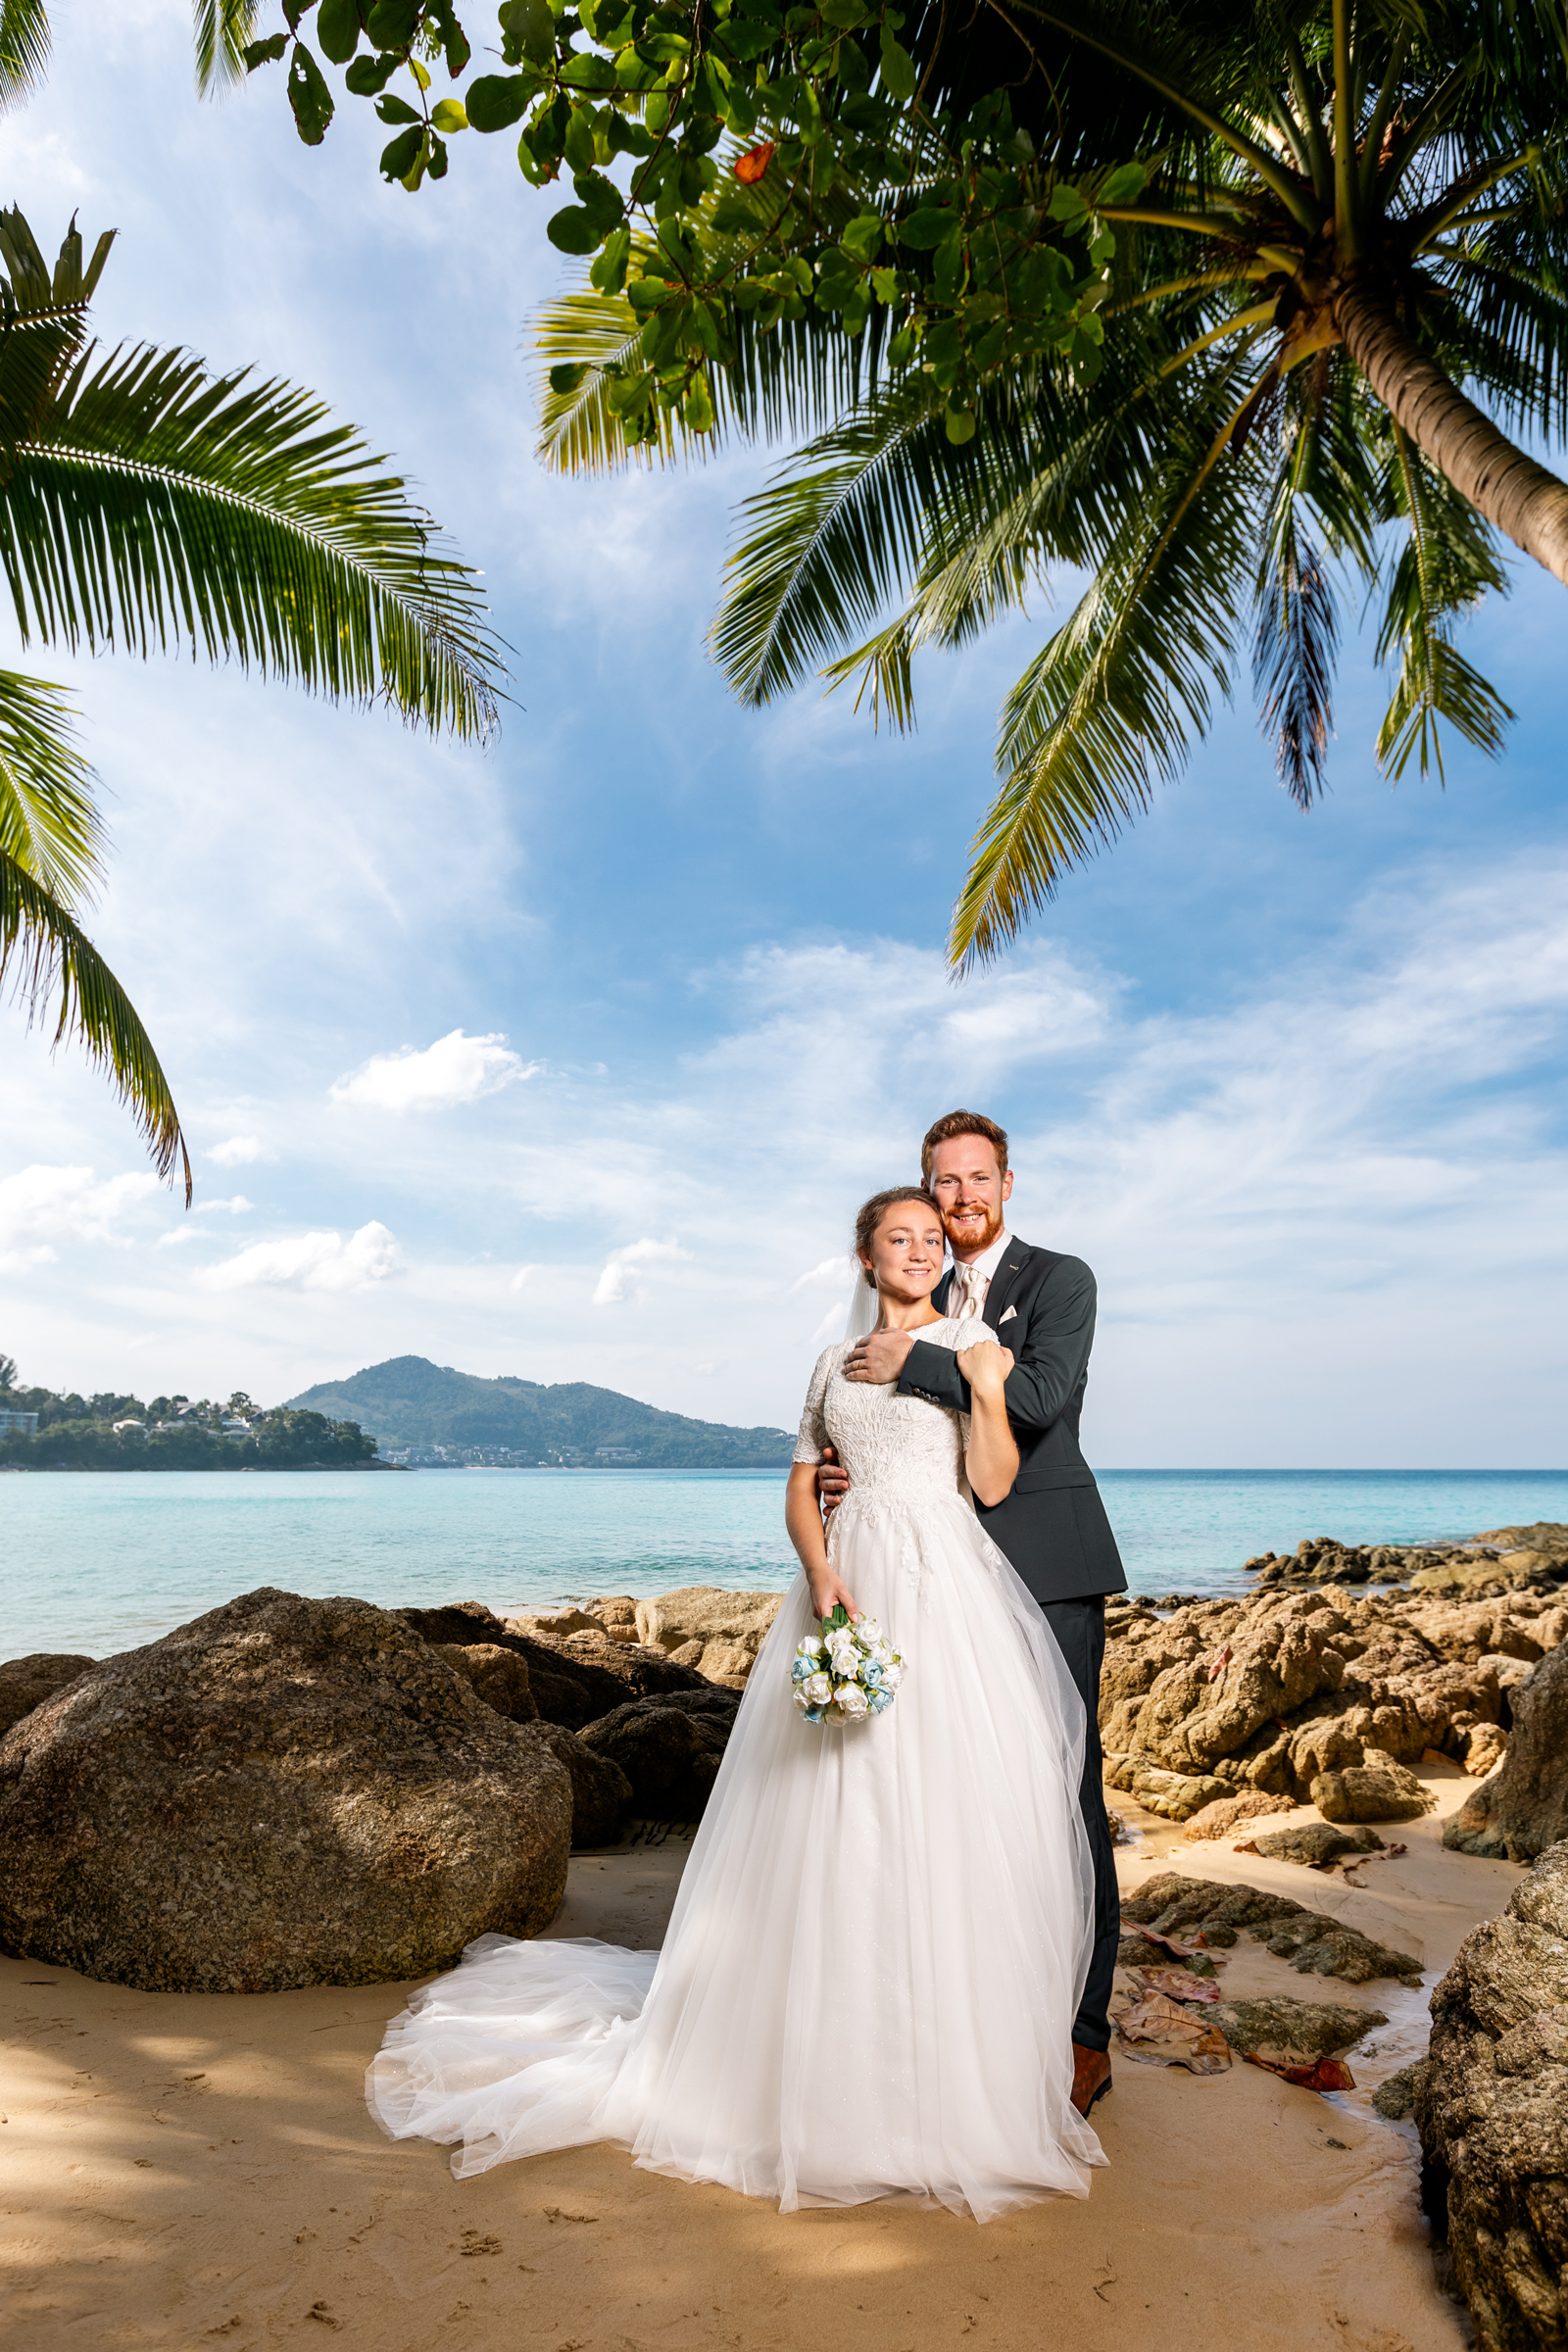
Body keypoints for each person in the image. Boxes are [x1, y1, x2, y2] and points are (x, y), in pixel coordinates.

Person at [365, 1184, 1103, 2220]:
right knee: (827, 1804)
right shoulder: (828, 1364)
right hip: (848, 1581)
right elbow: (806, 1478)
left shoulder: (974, 1341)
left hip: (944, 1586)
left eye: (931, 1239)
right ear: (865, 1257)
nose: (918, 1249)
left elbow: (989, 1484)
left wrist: (982, 1382)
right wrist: (819, 1570)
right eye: (899, 1237)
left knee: (938, 1805)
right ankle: (806, 2053)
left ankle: (933, 2073)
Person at [819, 1111, 1127, 2121]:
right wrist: (846, 1463)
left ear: (1006, 1183)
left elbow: (1034, 1397)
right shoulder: (911, 1283)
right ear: (925, 1189)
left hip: (1043, 1567)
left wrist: (901, 1364)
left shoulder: (1060, 1279)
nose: (960, 1197)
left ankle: (1082, 2034)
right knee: (928, 1798)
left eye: (978, 1178)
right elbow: (876, 1419)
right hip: (928, 1573)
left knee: (1060, 1799)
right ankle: (944, 2017)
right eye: (943, 1181)